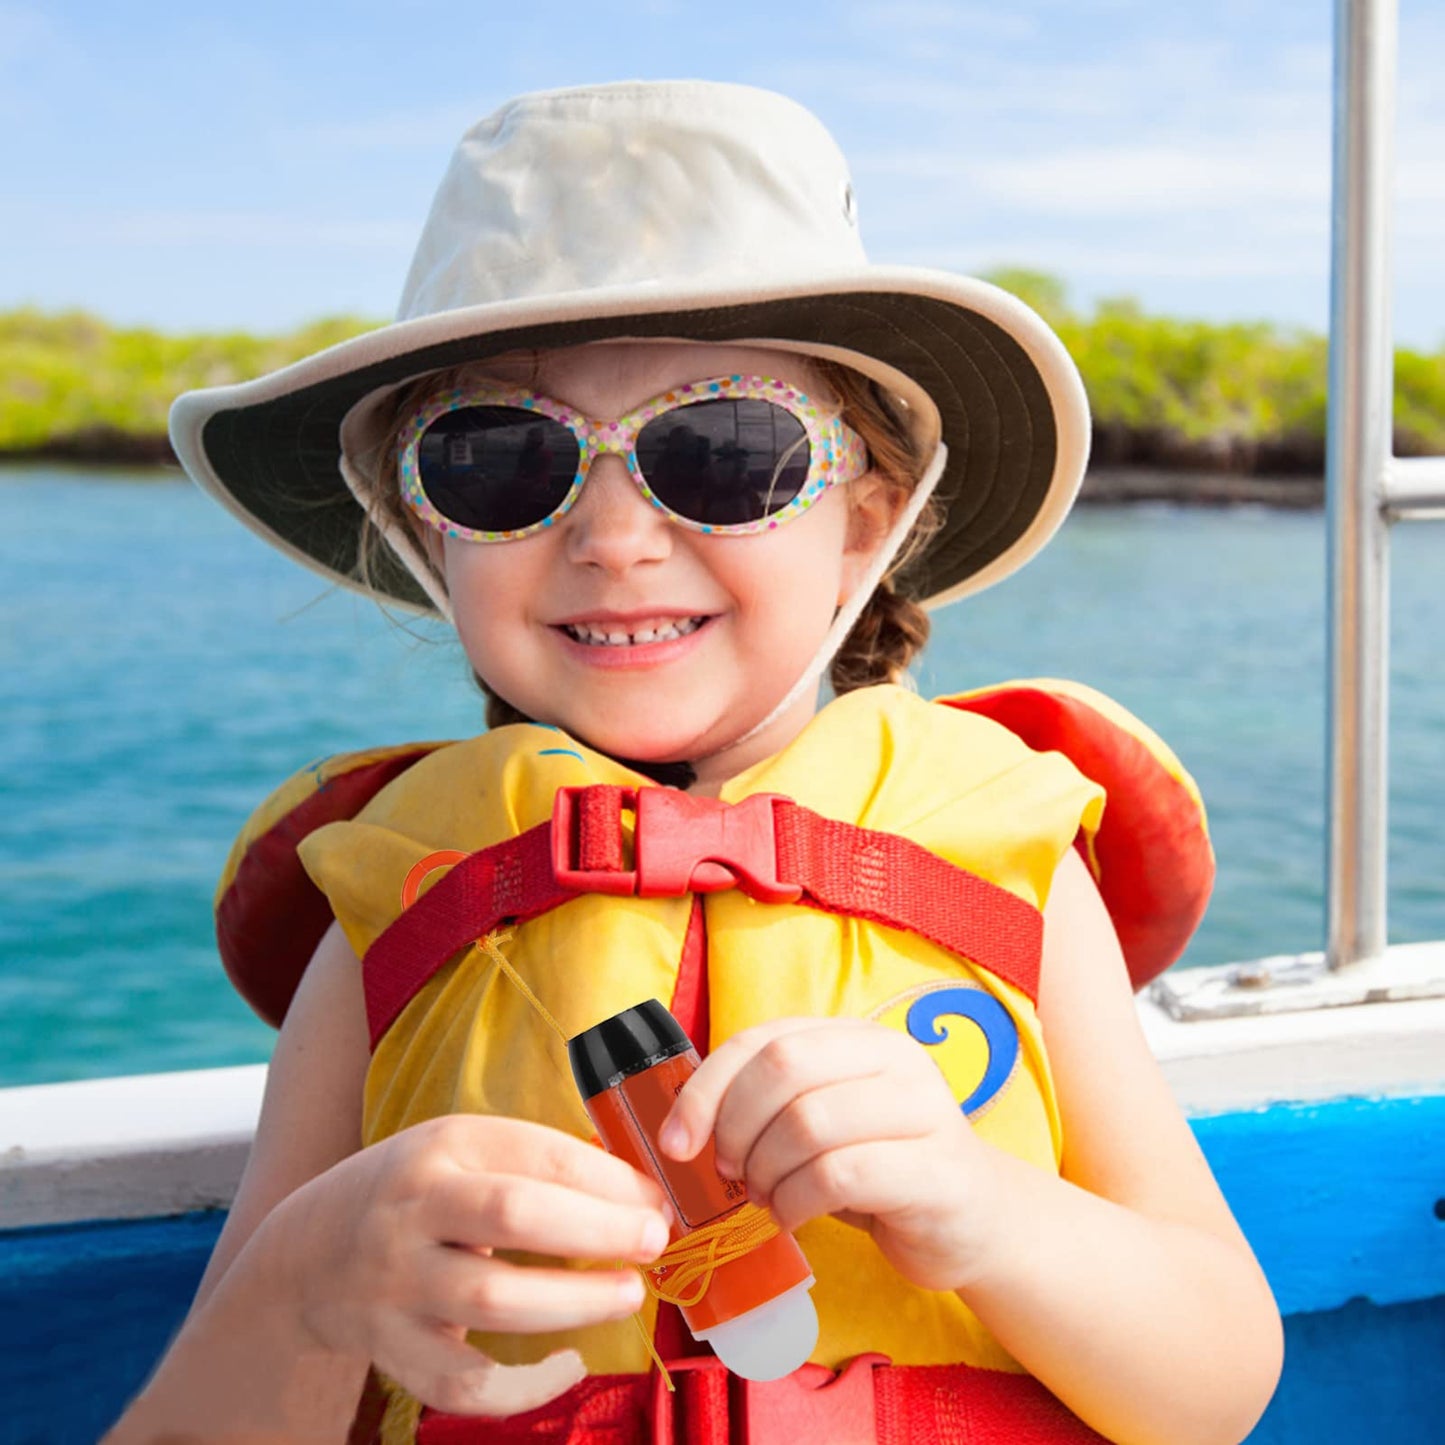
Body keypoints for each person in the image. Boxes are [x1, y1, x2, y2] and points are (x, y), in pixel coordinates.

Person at [108, 81, 1282, 1445]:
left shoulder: (1004, 860)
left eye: (724, 449)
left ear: (869, 519)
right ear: (427, 531)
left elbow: (1217, 1382)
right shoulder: (391, 901)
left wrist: (981, 1205)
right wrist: (302, 1292)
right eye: (498, 458)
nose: (612, 535)